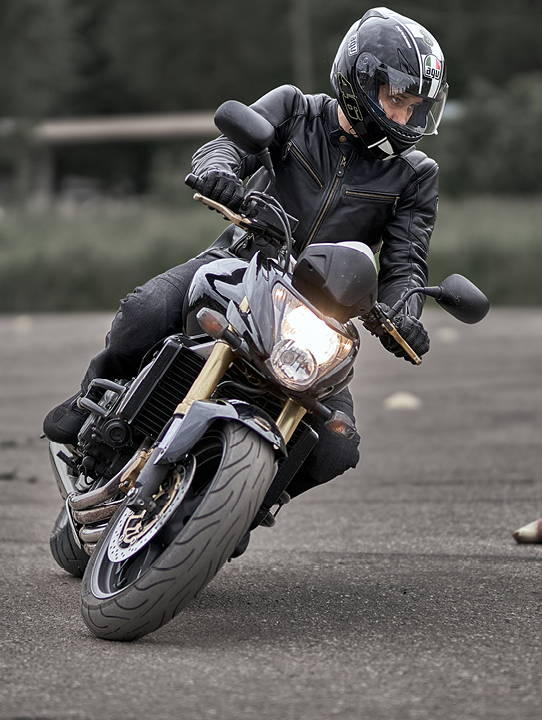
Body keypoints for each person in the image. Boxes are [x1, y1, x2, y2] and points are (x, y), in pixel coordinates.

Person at [43, 6, 449, 500]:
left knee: (337, 447)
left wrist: (403, 313)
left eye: (414, 107)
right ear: (359, 79)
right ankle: (92, 400)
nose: (405, 116)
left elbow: (406, 262)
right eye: (397, 99)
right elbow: (228, 145)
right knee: (146, 309)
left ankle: (245, 502)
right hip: (242, 261)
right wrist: (222, 173)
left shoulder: (415, 174)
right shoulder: (295, 108)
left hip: (321, 313)